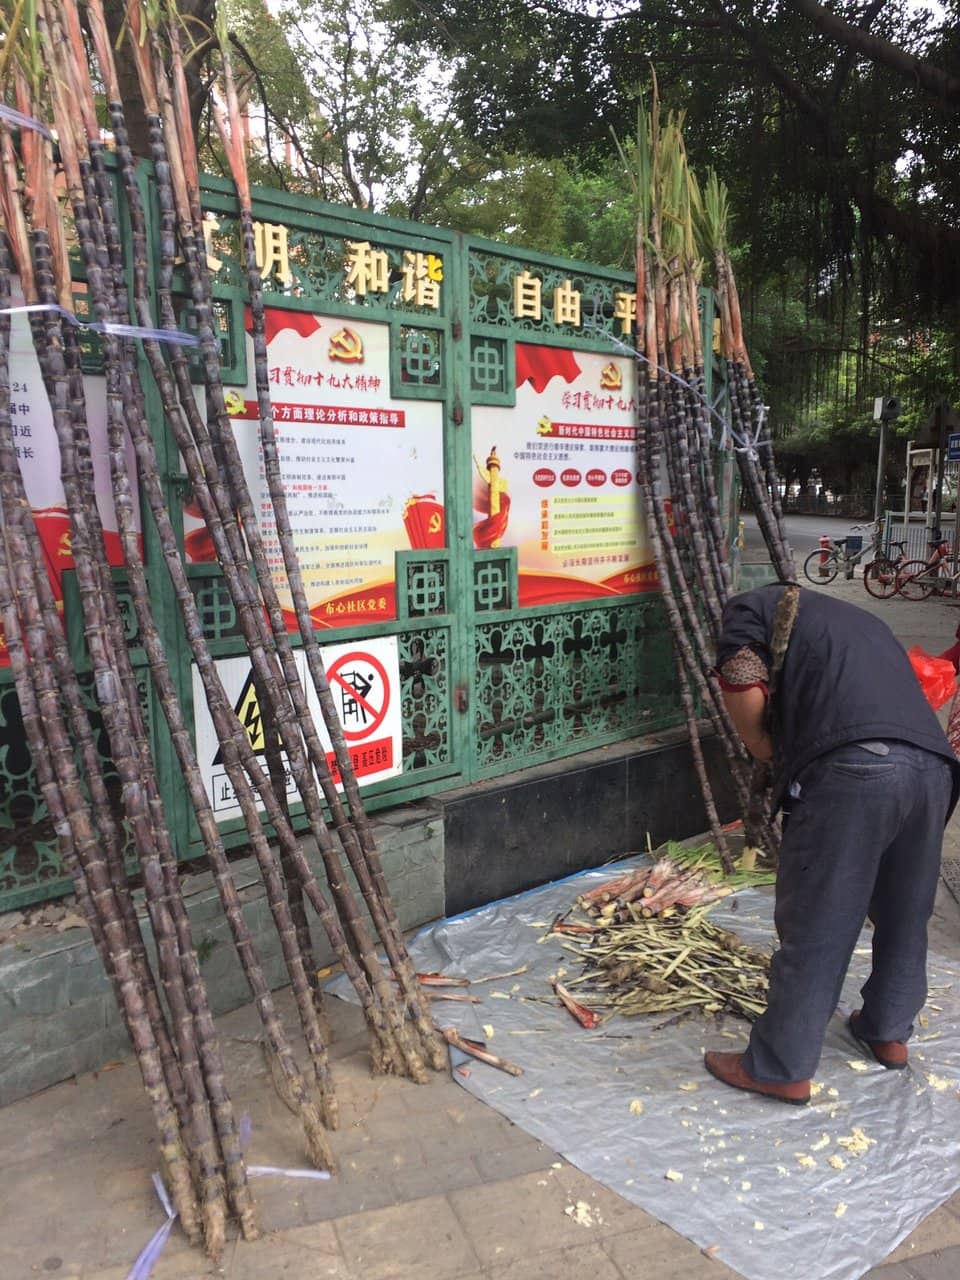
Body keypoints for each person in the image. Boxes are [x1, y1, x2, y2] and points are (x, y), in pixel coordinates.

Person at [704, 584, 960, 1104]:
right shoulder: (858, 622)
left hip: (856, 766)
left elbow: (740, 674)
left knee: (820, 916)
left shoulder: (748, 609)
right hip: (933, 768)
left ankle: (780, 1066)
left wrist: (763, 746)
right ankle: (887, 1029)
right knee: (905, 910)